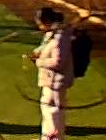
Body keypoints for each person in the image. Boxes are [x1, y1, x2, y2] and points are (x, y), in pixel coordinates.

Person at [30, 7, 74, 140]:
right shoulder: (51, 34)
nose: (39, 27)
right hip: (49, 81)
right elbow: (45, 46)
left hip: (55, 83)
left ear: (47, 21)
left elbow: (58, 62)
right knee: (47, 113)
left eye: (40, 23)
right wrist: (37, 52)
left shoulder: (60, 37)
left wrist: (39, 62)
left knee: (54, 115)